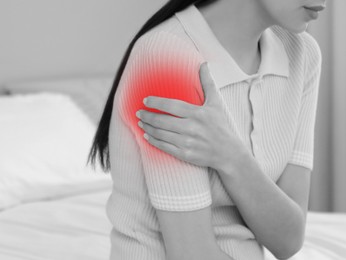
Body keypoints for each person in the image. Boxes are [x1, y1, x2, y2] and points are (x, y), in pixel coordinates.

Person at [88, 0, 324, 259]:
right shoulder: (167, 55)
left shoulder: (302, 53)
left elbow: (288, 240)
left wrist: (231, 156)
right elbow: (191, 254)